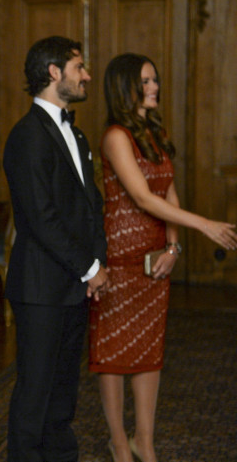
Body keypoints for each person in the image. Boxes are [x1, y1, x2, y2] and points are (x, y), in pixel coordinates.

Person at [90, 53, 237, 462]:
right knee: (114, 353)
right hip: (120, 256)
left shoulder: (154, 133)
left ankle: (145, 442)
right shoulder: (116, 136)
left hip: (155, 258)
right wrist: (205, 224)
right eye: (146, 81)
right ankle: (119, 444)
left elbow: (166, 192)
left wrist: (173, 246)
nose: (155, 87)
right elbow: (140, 197)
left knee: (149, 351)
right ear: (125, 87)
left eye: (155, 80)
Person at [2, 35, 109, 462]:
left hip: (74, 282)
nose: (86, 75)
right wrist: (90, 268)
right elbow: (41, 217)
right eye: (78, 67)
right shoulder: (27, 135)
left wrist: (95, 265)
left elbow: (89, 206)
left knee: (64, 392)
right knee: (35, 392)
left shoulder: (76, 134)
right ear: (53, 72)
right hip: (41, 286)